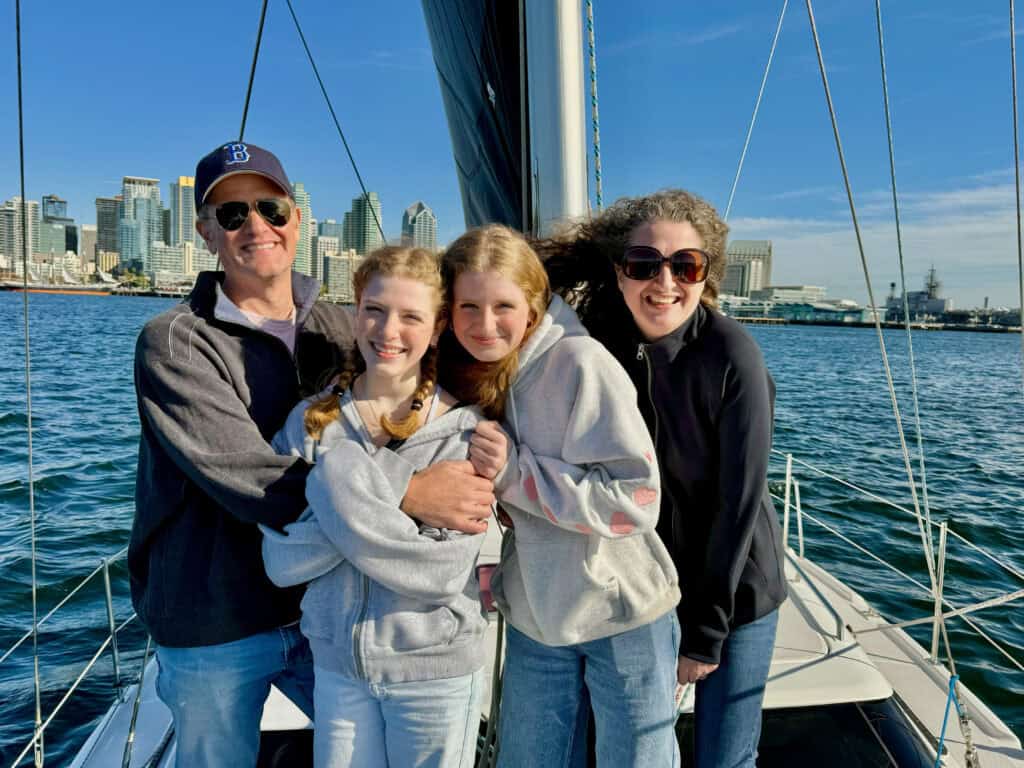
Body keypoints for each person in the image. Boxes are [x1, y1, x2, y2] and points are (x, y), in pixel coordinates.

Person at [128, 141, 492, 767]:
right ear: (206, 232)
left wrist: (502, 443)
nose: (255, 227)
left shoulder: (338, 323)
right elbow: (244, 474)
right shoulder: (175, 342)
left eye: (269, 208)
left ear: (297, 219)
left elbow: (431, 386)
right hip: (213, 616)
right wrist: (410, 496)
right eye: (232, 214)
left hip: (325, 616)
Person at [541, 189, 787, 768]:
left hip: (738, 592)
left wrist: (705, 634)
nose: (665, 281)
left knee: (724, 757)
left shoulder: (733, 358)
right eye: (644, 264)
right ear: (619, 272)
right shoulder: (598, 344)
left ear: (707, 275)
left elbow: (738, 507)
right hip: (646, 585)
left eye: (686, 265)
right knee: (630, 742)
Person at [439, 224, 682, 768]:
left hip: (623, 615)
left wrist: (516, 476)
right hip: (535, 614)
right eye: (468, 306)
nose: (484, 324)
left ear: (532, 302)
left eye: (503, 305)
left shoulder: (580, 363)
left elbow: (637, 499)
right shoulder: (481, 375)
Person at [261, 246, 489, 768]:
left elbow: (440, 573)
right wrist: (408, 504)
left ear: (436, 330)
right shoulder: (308, 425)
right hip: (338, 668)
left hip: (437, 671)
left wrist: (338, 503)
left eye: (411, 317)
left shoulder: (464, 434)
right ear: (355, 312)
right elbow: (280, 564)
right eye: (376, 310)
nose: (389, 331)